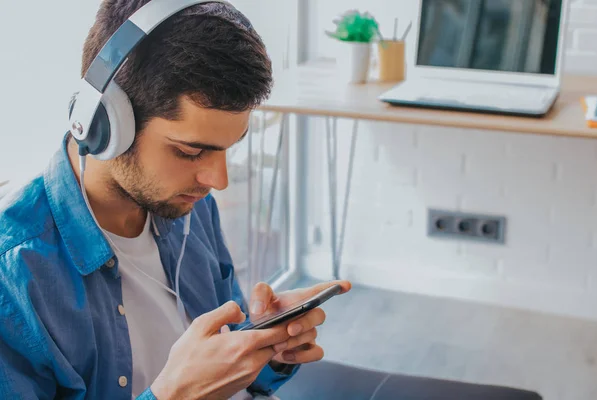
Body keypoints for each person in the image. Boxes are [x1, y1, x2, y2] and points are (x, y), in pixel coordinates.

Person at [0, 1, 351, 399]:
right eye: (189, 152)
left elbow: (228, 365)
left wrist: (264, 348)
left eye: (228, 148)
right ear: (102, 125)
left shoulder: (186, 204)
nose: (217, 180)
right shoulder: (14, 278)